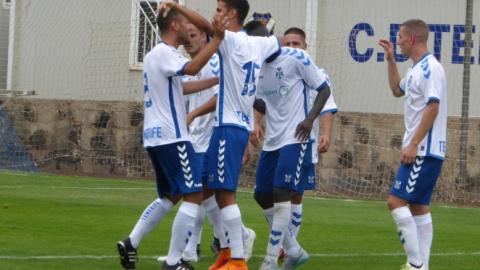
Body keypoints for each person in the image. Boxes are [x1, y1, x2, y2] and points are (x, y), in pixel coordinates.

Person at [160, 1, 282, 269]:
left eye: (219, 9)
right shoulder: (262, 44)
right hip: (235, 126)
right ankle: (227, 253)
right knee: (211, 191)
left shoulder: (230, 39)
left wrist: (178, 8)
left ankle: (237, 259)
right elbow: (279, 46)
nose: (215, 15)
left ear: (231, 15)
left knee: (225, 194)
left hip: (228, 125)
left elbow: (205, 26)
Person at [116, 7, 228, 270]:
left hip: (155, 137)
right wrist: (219, 39)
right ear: (175, 26)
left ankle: (131, 242)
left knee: (171, 196)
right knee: (194, 195)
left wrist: (217, 80)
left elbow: (182, 87)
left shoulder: (155, 56)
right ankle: (175, 262)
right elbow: (192, 68)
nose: (189, 33)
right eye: (185, 25)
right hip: (173, 137)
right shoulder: (166, 53)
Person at [245, 23, 332, 270]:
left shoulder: (296, 58)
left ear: (270, 40)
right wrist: (252, 117)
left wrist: (310, 118)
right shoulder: (257, 68)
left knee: (282, 191)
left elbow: (324, 90)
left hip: (296, 136)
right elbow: (266, 104)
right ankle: (293, 249)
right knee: (261, 194)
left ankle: (271, 259)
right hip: (273, 140)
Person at [378, 19, 447, 270]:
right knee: (418, 207)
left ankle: (415, 264)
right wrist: (390, 60)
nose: (398, 42)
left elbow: (433, 106)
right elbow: (397, 90)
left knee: (395, 201)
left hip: (423, 150)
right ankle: (423, 267)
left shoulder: (431, 68)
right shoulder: (415, 68)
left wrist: (414, 143)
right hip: (422, 149)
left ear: (413, 39)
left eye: (400, 38)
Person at [282, 27, 338, 244]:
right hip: (276, 142)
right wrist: (256, 123)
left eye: (296, 44)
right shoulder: (276, 70)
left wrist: (325, 133)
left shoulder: (319, 74)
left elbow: (327, 106)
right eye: (287, 44)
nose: (292, 48)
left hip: (303, 142)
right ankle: (284, 243)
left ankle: (288, 246)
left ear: (305, 47)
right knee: (271, 194)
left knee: (294, 194)